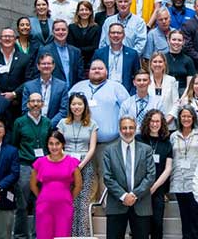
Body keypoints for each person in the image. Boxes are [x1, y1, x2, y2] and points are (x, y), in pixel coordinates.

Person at [69, 60, 130, 197]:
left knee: (107, 175)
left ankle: (105, 211)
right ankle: (88, 212)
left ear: (106, 71)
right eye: (93, 68)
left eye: (100, 68)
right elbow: (67, 111)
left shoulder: (117, 88)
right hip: (82, 144)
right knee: (85, 178)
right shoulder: (77, 87)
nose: (96, 70)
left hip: (109, 143)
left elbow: (127, 112)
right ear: (88, 71)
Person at [103, 116, 156, 239]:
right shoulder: (109, 150)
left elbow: (150, 175)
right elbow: (107, 177)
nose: (128, 131)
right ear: (120, 130)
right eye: (124, 128)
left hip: (141, 204)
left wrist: (134, 195)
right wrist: (123, 196)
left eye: (131, 127)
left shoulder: (146, 150)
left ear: (135, 128)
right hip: (116, 204)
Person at [56, 93, 98, 237]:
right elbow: (58, 145)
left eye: (79, 104)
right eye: (74, 104)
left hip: (85, 164)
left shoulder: (92, 124)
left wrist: (80, 166)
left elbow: (92, 148)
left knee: (83, 202)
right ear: (69, 106)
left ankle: (83, 235)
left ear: (85, 106)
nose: (76, 107)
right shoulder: (62, 123)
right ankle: (68, 235)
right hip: (65, 165)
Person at [12, 92, 52, 239]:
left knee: (41, 204)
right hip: (25, 165)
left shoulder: (47, 122)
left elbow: (50, 145)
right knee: (22, 204)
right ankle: (20, 235)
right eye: (32, 101)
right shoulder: (19, 122)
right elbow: (14, 144)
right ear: (27, 104)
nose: (35, 104)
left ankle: (38, 235)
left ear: (42, 104)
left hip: (43, 167)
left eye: (38, 101)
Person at [30, 131, 82, 239]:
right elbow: (33, 185)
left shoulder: (71, 162)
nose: (54, 147)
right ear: (47, 145)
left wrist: (69, 198)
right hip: (44, 207)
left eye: (57, 143)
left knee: (63, 236)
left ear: (63, 144)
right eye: (51, 143)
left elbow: (78, 185)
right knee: (43, 235)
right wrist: (41, 197)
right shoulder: (40, 162)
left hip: (64, 207)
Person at [170, 106, 198, 239]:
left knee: (196, 219)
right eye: (183, 116)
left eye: (189, 116)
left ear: (193, 117)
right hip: (179, 181)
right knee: (184, 218)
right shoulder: (173, 136)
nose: (186, 119)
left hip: (196, 182)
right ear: (179, 118)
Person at [136, 110, 173, 239]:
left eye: (157, 121)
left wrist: (154, 187)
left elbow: (168, 169)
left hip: (157, 190)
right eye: (152, 121)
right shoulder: (138, 139)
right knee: (141, 226)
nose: (154, 124)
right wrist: (144, 187)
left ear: (162, 123)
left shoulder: (166, 143)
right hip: (140, 189)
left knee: (157, 224)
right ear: (147, 122)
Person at [0, 27, 31, 106]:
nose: (7, 38)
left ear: (15, 40)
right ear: (0, 40)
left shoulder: (25, 58)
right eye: (4, 36)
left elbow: (29, 80)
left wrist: (14, 94)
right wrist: (1, 96)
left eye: (10, 36)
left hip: (19, 103)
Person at [21, 53, 68, 128]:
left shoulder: (62, 86)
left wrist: (48, 125)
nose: (46, 66)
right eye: (43, 64)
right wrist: (36, 124)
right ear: (38, 66)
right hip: (33, 128)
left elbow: (63, 111)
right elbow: (25, 109)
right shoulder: (29, 86)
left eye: (49, 63)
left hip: (54, 129)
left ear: (53, 66)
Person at [93, 22, 141, 93]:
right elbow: (94, 75)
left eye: (119, 33)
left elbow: (137, 76)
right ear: (109, 35)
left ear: (124, 35)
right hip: (104, 92)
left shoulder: (132, 54)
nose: (116, 35)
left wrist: (131, 95)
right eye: (113, 32)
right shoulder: (99, 53)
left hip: (126, 93)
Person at [37, 19, 84, 89]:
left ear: (68, 31)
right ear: (52, 32)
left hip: (73, 92)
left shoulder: (76, 51)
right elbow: (38, 73)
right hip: (53, 91)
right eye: (57, 30)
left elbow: (80, 75)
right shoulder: (44, 50)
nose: (61, 32)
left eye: (63, 29)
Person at [68, 0, 102, 71]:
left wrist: (79, 49)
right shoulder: (71, 27)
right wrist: (84, 49)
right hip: (75, 61)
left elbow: (95, 47)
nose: (84, 12)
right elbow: (71, 46)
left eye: (86, 10)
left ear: (90, 12)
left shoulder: (96, 28)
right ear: (78, 12)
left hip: (91, 62)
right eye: (81, 10)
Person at [147, 52, 179, 125]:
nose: (157, 64)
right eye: (155, 62)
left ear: (164, 64)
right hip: (150, 125)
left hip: (168, 124)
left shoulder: (171, 80)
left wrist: (167, 119)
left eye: (160, 62)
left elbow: (176, 103)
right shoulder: (146, 80)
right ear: (151, 64)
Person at [165, 29, 197, 96]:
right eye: (174, 39)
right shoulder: (163, 59)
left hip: (183, 92)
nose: (176, 42)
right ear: (168, 41)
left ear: (183, 42)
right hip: (165, 91)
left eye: (179, 40)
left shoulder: (188, 60)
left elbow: (190, 85)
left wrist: (183, 98)